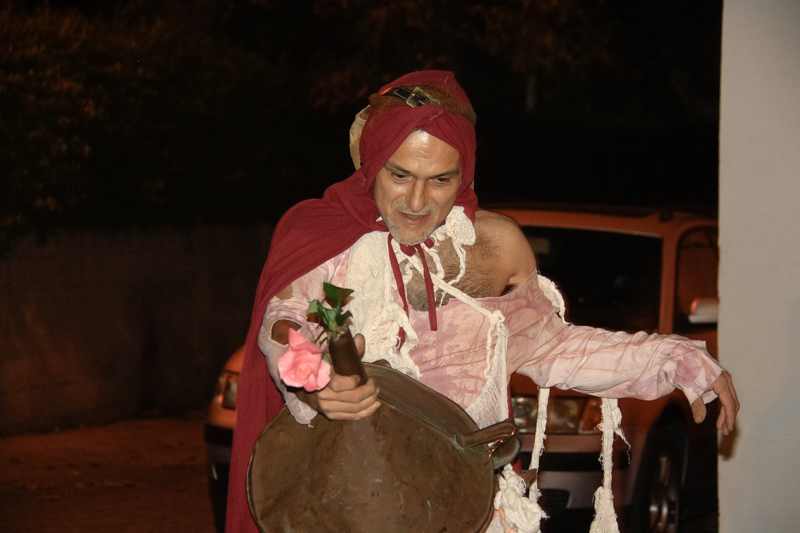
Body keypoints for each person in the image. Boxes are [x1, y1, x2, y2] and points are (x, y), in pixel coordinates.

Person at [226, 71, 740, 533]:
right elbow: (284, 323)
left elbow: (553, 349)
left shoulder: (497, 245)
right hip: (352, 503)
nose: (417, 201)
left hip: (470, 503)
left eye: (440, 180)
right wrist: (314, 382)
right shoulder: (324, 239)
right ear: (371, 165)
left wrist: (672, 357)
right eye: (399, 175)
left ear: (465, 174)